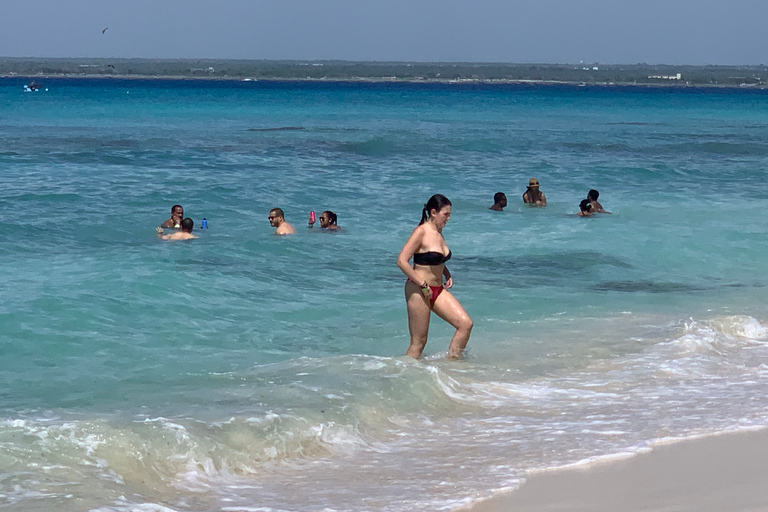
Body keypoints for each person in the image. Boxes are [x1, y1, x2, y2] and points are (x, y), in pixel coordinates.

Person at [397, 194, 473, 360]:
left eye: (449, 214)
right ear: (433, 212)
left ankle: (452, 368)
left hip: (437, 290)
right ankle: (404, 377)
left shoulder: (439, 233)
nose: (449, 218)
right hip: (418, 290)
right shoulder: (421, 232)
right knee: (419, 343)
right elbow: (402, 261)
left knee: (465, 324)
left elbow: (432, 258)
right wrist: (423, 284)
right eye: (446, 214)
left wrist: (446, 273)